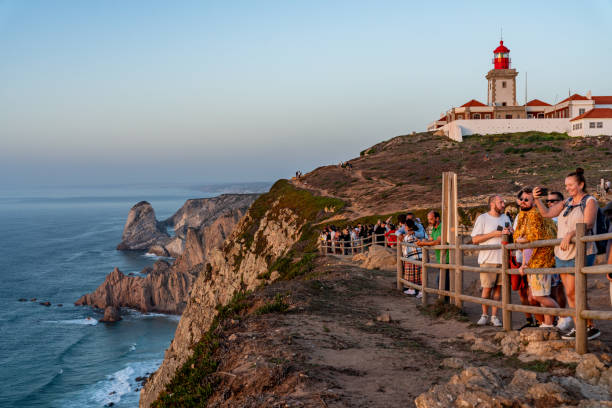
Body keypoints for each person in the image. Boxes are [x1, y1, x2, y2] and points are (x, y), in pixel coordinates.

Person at [533, 167, 600, 340]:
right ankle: (584, 325)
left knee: (576, 291)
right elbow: (547, 214)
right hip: (562, 253)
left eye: (570, 185)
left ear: (581, 184)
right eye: (566, 185)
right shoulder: (567, 202)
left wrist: (570, 234)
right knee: (570, 292)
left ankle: (587, 327)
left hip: (581, 251)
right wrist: (537, 199)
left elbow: (589, 224)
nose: (567, 188)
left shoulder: (589, 200)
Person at [513, 189, 559, 327]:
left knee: (539, 295)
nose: (523, 201)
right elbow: (518, 237)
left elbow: (535, 238)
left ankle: (563, 317)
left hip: (542, 260)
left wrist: (521, 242)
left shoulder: (535, 214)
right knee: (540, 294)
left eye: (527, 199)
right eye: (521, 198)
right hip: (532, 261)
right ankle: (548, 323)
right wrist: (524, 262)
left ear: (534, 201)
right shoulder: (522, 214)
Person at [471, 195, 512, 327]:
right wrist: (493, 234)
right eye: (501, 202)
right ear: (492, 204)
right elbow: (475, 240)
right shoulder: (483, 218)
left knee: (499, 290)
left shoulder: (506, 218)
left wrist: (511, 232)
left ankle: (494, 316)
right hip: (487, 259)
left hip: (503, 259)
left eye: (503, 202)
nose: (503, 204)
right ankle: (484, 315)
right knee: (487, 289)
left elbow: (510, 235)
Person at [546, 191, 570, 330]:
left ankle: (563, 317)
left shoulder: (563, 216)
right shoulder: (547, 216)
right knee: (550, 290)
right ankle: (555, 318)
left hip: (561, 256)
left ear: (561, 202)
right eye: (548, 201)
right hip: (549, 256)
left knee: (559, 289)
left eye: (553, 201)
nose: (549, 203)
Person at [401, 219, 423, 298]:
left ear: (408, 226)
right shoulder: (412, 234)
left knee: (417, 275)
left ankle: (419, 291)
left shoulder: (413, 234)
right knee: (415, 275)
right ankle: (414, 289)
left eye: (405, 225)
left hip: (414, 257)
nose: (404, 227)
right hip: (414, 257)